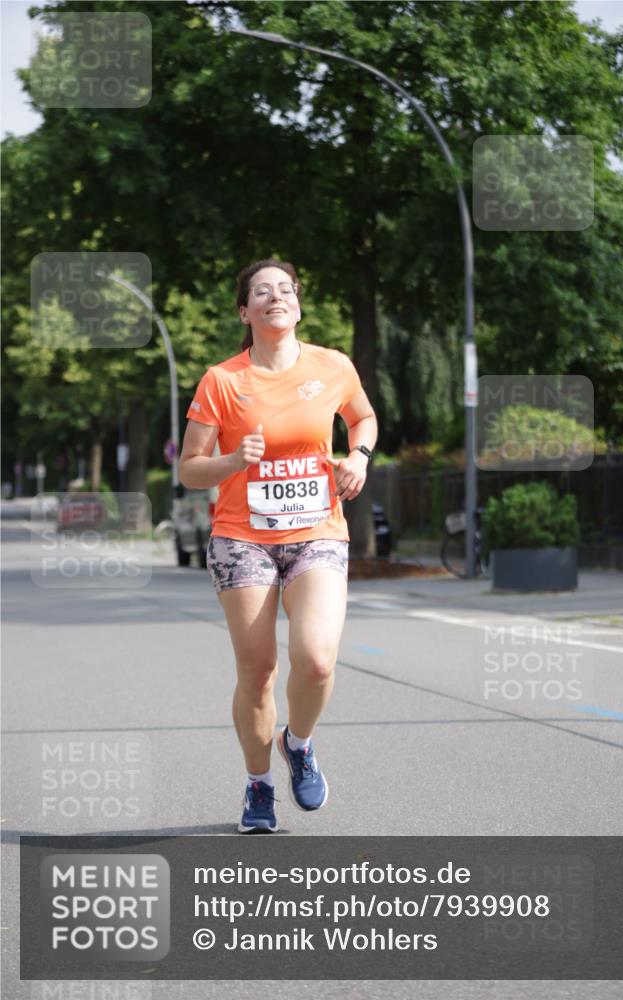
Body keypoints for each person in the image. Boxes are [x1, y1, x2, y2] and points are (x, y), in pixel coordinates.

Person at [179, 259, 377, 833]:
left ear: (298, 303)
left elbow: (362, 418)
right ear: (245, 311)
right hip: (243, 538)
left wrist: (358, 457)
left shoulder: (332, 365)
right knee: (259, 668)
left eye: (285, 289)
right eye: (261, 292)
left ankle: (301, 742)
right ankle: (259, 784)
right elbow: (191, 469)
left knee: (315, 659)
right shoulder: (223, 380)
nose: (275, 297)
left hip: (317, 530)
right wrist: (232, 460)